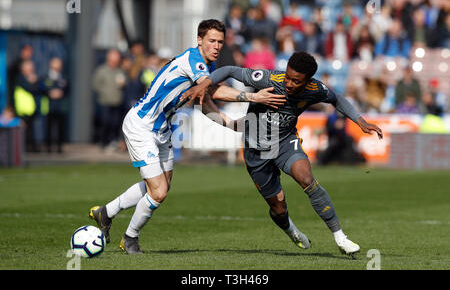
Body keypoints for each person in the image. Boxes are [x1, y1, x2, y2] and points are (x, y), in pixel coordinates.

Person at [88, 19, 286, 255]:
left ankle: (106, 213)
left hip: (162, 129)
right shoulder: (194, 61)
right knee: (158, 191)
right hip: (142, 125)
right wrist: (253, 98)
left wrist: (233, 125)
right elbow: (214, 90)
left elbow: (205, 105)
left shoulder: (208, 68)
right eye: (212, 41)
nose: (217, 46)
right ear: (199, 40)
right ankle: (130, 239)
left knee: (162, 187)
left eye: (220, 42)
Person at [183, 51, 383, 256]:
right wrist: (204, 83)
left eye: (295, 81)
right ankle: (290, 229)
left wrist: (361, 122)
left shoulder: (315, 90)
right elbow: (230, 70)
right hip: (256, 150)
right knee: (278, 207)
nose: (288, 83)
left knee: (307, 178)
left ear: (307, 81)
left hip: (285, 142)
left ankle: (340, 237)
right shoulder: (270, 80)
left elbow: (337, 99)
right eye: (287, 77)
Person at [92, 49, 127, 151]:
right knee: (105, 122)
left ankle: (113, 142)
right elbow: (96, 84)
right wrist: (104, 92)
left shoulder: (120, 71)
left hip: (117, 101)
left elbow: (124, 83)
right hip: (105, 101)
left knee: (115, 123)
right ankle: (103, 143)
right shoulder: (101, 70)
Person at [44, 57, 68, 154]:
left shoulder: (63, 77)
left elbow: (67, 89)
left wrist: (61, 93)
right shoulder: (46, 77)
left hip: (60, 106)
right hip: (49, 106)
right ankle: (49, 147)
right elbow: (42, 88)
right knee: (49, 127)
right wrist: (50, 92)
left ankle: (59, 147)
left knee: (60, 128)